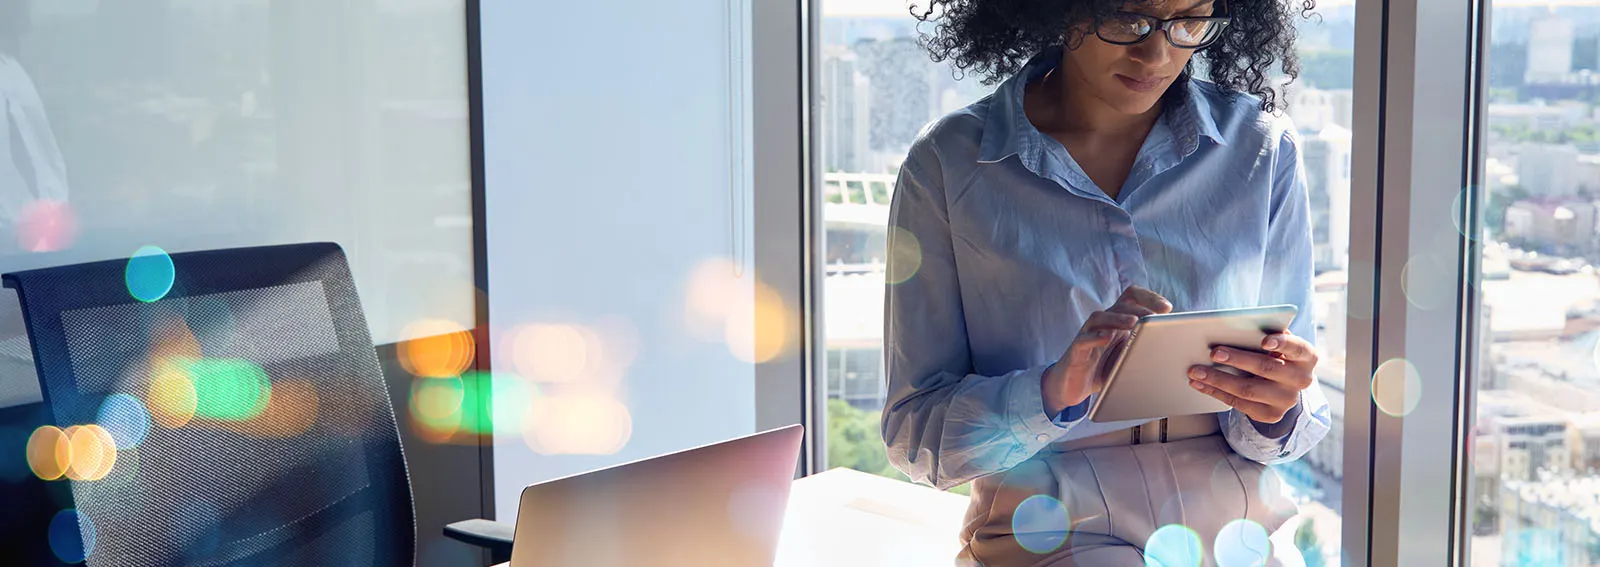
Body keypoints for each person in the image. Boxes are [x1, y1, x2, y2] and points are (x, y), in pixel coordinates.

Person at [880, 0, 1331, 564]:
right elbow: (915, 433)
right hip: (1048, 518)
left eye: (1189, 21)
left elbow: (1292, 413)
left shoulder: (1262, 149)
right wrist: (1051, 394)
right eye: (1126, 19)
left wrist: (1277, 403)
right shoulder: (950, 164)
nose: (1158, 52)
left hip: (1239, 517)